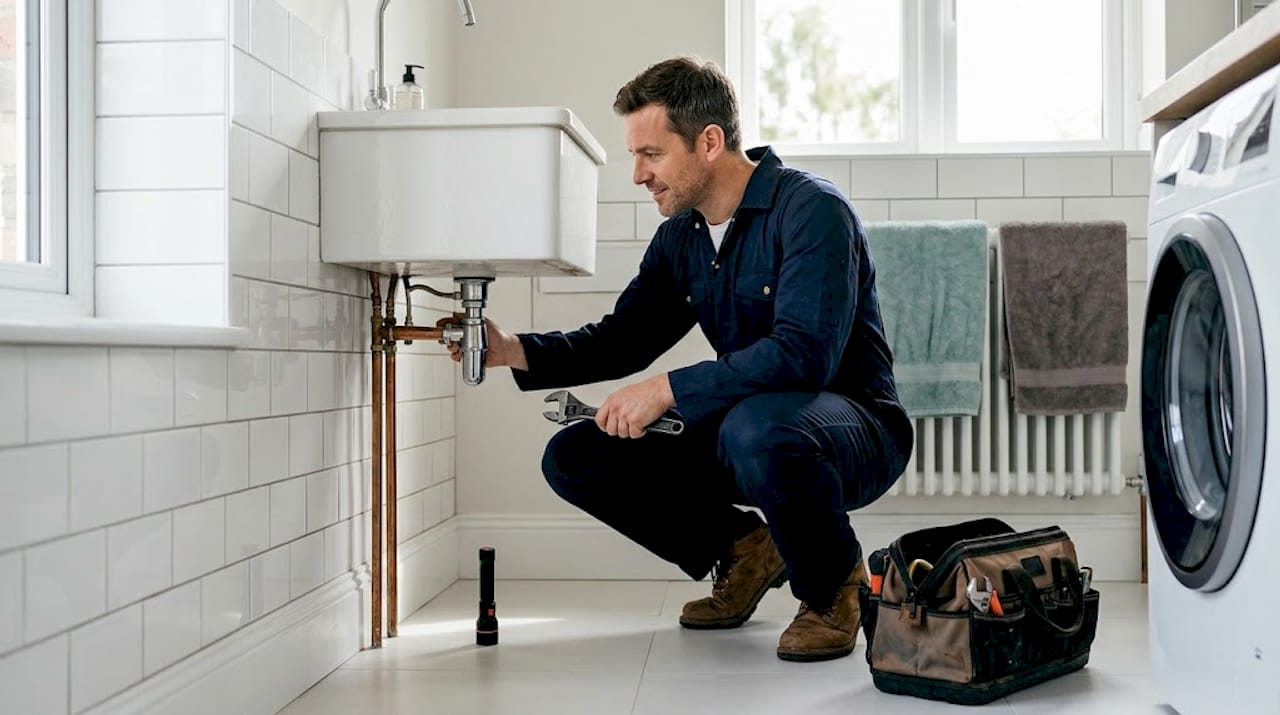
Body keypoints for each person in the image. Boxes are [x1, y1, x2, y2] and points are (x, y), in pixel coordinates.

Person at [445, 57, 913, 662]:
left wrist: (665, 387)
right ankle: (746, 550)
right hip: (754, 425)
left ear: (709, 142)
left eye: (652, 154)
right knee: (577, 454)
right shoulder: (683, 236)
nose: (638, 174)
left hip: (854, 428)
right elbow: (623, 338)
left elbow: (804, 357)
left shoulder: (811, 210)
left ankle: (831, 588)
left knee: (758, 427)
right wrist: (516, 351)